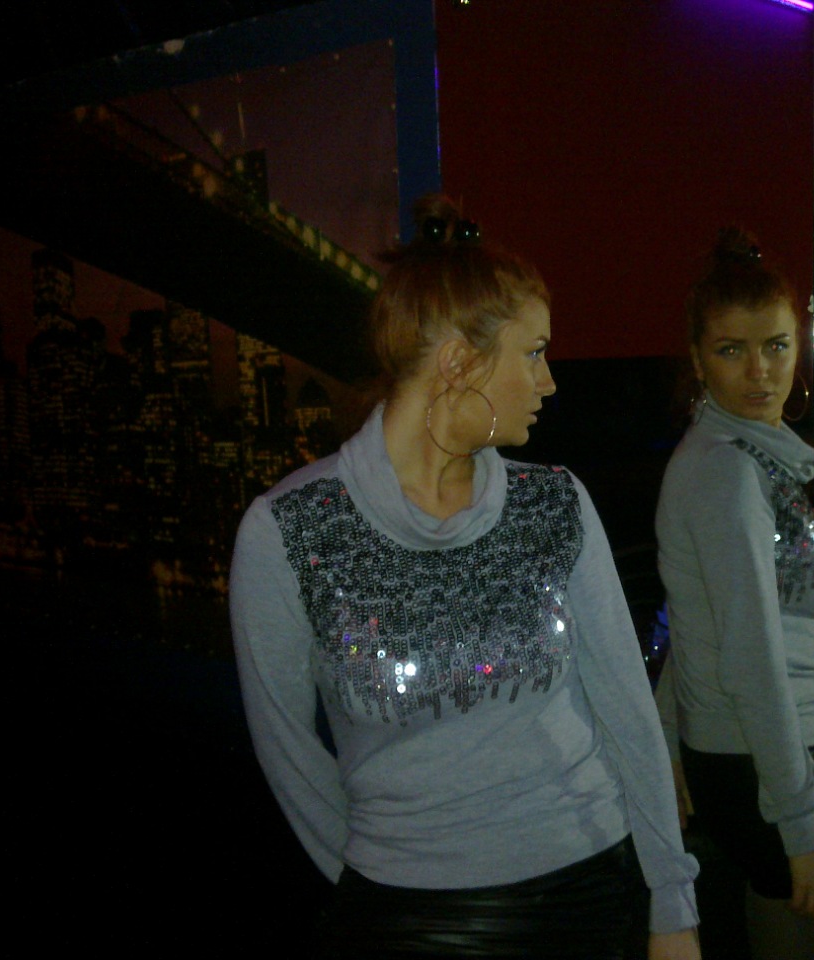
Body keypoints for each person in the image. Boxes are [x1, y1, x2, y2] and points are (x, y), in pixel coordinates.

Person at [230, 195, 700, 960]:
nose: (549, 382)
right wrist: (373, 876)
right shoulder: (289, 529)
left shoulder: (554, 503)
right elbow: (286, 750)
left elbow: (626, 712)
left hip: (589, 888)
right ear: (458, 364)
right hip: (405, 916)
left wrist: (672, 903)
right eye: (533, 353)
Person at [655, 227, 814, 958]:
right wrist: (799, 822)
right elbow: (750, 657)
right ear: (698, 359)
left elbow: (692, 620)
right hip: (763, 762)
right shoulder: (726, 473)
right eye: (733, 350)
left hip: (751, 752)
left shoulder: (749, 457)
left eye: (777, 345)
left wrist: (670, 743)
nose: (761, 371)